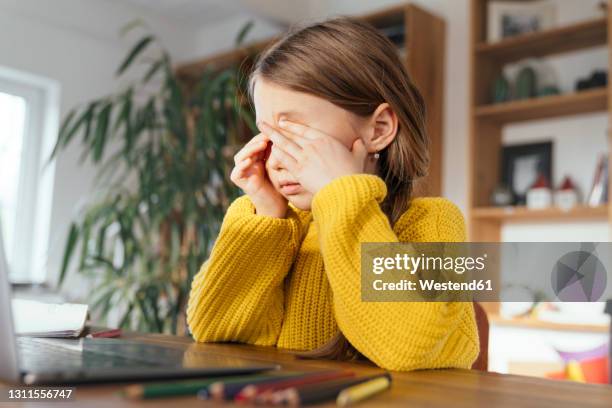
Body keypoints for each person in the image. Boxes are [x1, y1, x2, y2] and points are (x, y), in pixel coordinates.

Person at [187, 17, 479, 371]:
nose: (276, 160)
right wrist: (265, 217)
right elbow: (213, 330)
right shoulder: (273, 224)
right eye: (267, 136)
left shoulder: (433, 223)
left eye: (294, 133)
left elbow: (408, 347)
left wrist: (343, 195)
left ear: (380, 129)